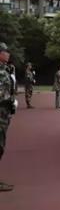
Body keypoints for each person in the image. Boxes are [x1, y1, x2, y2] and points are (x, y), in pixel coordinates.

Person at [0, 42, 16, 191]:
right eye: (5, 51)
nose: (8, 54)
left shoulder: (4, 69)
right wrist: (10, 99)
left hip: (3, 114)